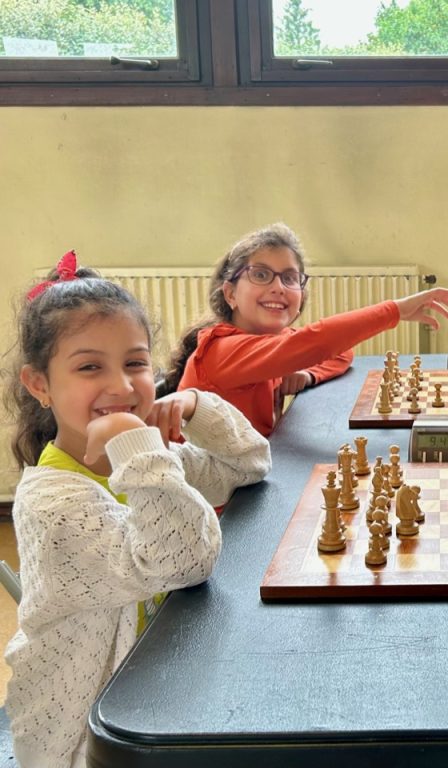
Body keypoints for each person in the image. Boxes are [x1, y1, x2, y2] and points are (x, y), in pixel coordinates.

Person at [3, 252, 272, 768]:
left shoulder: (147, 459)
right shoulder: (53, 504)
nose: (123, 387)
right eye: (89, 367)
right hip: (87, 740)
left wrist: (194, 405)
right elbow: (184, 560)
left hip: (160, 686)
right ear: (39, 385)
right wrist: (141, 448)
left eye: (135, 363)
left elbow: (248, 464)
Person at [165, 223, 448, 436]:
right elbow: (315, 344)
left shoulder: (272, 342)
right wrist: (394, 310)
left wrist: (305, 374)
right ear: (230, 294)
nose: (278, 287)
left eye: (290, 278)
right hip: (213, 500)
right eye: (261, 275)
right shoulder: (222, 350)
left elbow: (340, 352)